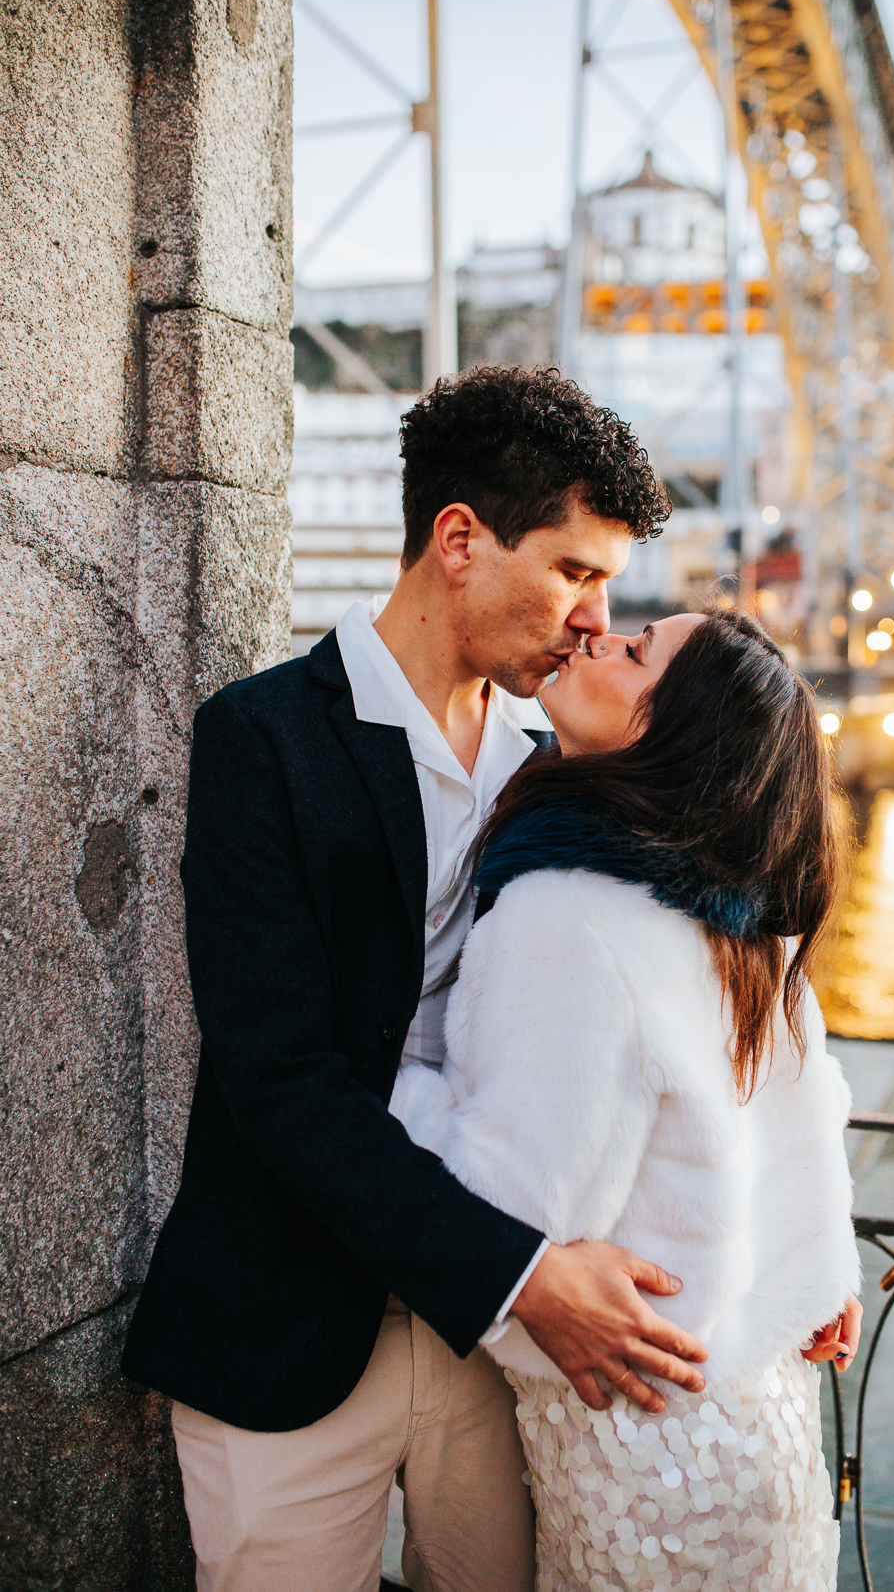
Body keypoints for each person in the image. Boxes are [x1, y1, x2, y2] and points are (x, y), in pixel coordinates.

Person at [122, 366, 713, 1592]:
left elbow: (690, 987)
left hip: (490, 1358)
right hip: (291, 1329)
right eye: (574, 571)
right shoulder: (262, 738)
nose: (596, 620)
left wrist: (792, 1262)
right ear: (459, 540)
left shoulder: (553, 763)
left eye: (606, 586)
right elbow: (277, 1079)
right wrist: (519, 1273)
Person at [389, 606, 863, 1592]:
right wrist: (825, 1281)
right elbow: (808, 1134)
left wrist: (392, 1084)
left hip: (647, 1463)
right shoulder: (743, 924)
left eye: (636, 650)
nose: (597, 634)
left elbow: (513, 1213)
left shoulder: (568, 912)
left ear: (668, 731)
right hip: (761, 1428)